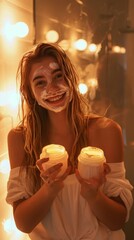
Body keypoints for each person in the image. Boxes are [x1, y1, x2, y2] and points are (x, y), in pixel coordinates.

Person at [6, 43, 133, 240]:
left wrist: (93, 195)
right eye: (40, 82)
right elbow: (24, 223)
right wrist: (50, 188)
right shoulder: (20, 139)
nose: (53, 88)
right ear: (28, 91)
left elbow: (117, 221)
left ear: (71, 79)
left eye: (58, 76)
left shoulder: (106, 131)